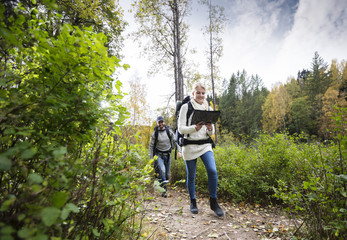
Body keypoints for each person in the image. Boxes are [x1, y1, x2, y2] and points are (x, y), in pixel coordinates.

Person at [178, 82, 224, 217]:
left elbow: (211, 132)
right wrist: (194, 128)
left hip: (205, 145)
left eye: (203, 93)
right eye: (198, 92)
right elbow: (181, 129)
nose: (201, 95)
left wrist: (210, 128)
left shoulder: (207, 107)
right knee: (191, 176)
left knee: (212, 171)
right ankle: (193, 202)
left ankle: (214, 202)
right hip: (189, 145)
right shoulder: (185, 107)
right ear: (193, 93)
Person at [149, 116, 179, 197]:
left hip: (168, 155)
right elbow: (151, 146)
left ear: (164, 122)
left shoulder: (168, 131)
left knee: (167, 175)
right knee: (162, 170)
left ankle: (160, 183)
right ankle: (164, 190)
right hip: (159, 155)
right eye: (159, 122)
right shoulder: (155, 133)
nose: (161, 124)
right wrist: (151, 159)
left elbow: (175, 141)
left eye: (162, 122)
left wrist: (179, 151)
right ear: (157, 123)